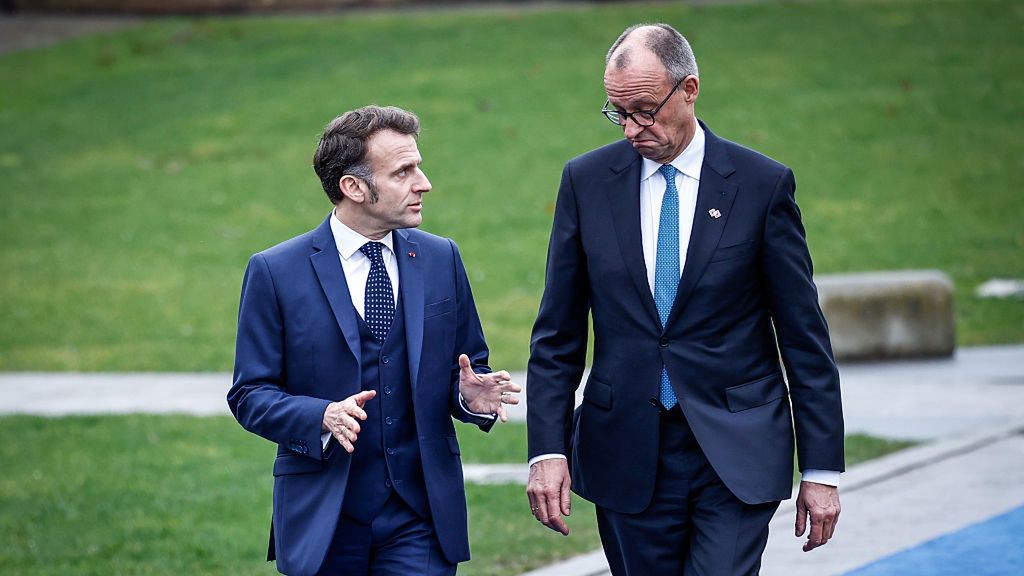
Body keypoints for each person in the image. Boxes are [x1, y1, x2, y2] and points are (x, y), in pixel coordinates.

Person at [525, 24, 844, 575]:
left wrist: (822, 469)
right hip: (625, 447)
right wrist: (547, 451)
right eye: (618, 112)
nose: (631, 128)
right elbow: (557, 334)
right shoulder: (586, 181)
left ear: (689, 89)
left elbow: (803, 337)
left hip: (735, 450)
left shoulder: (761, 185)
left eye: (645, 110)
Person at [228, 105, 520, 576]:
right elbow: (249, 394)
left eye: (418, 167)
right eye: (404, 171)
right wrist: (319, 416)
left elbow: (466, 367)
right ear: (354, 187)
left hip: (419, 515)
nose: (423, 183)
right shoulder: (276, 272)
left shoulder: (441, 257)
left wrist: (470, 395)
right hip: (324, 515)